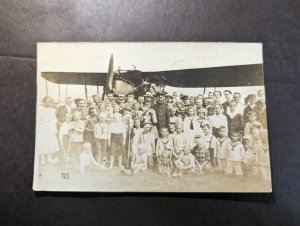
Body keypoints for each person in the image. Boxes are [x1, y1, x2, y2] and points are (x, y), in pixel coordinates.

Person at [36, 96, 59, 165]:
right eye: (48, 101)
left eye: (50, 101)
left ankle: (49, 158)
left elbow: (54, 120)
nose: (49, 102)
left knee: (50, 142)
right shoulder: (39, 108)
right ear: (44, 101)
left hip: (51, 128)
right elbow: (37, 120)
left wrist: (55, 129)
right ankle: (43, 159)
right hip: (42, 127)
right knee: (43, 142)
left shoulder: (52, 110)